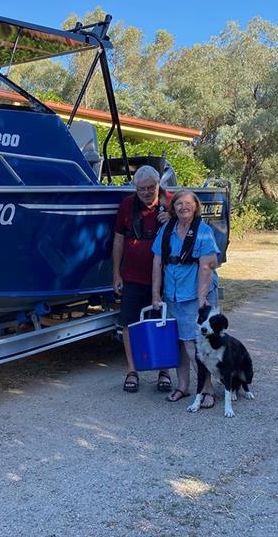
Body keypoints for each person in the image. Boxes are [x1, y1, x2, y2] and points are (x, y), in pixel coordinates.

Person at [151, 189, 221, 407]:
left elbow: (207, 267)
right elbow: (157, 262)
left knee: (195, 345)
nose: (183, 207)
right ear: (174, 208)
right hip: (172, 295)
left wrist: (202, 299)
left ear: (196, 206)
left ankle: (208, 391)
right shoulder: (166, 230)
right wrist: (155, 294)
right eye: (179, 203)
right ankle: (183, 386)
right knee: (178, 343)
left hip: (195, 294)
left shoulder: (203, 231)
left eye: (188, 203)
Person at [112, 165, 172, 393]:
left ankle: (164, 370)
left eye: (151, 187)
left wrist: (173, 219)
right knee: (129, 323)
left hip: (165, 277)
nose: (147, 192)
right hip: (133, 276)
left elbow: (190, 225)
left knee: (164, 323)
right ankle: (132, 370)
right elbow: (118, 239)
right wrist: (116, 273)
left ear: (158, 185)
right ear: (135, 188)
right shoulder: (127, 205)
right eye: (142, 188)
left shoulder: (171, 202)